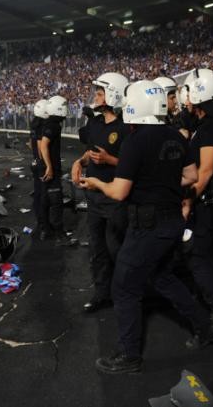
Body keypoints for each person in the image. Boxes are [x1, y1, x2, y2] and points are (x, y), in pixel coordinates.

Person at [80, 80, 213, 374]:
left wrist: (95, 183)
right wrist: (162, 181)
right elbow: (192, 176)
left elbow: (118, 192)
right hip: (171, 222)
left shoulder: (135, 141)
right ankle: (206, 327)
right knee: (162, 278)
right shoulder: (175, 136)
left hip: (148, 226)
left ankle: (129, 355)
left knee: (124, 287)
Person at [71, 72, 129, 312]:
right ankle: (102, 292)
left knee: (118, 249)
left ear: (113, 94)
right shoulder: (94, 123)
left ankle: (125, 295)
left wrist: (109, 159)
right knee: (98, 250)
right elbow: (89, 153)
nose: (95, 96)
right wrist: (79, 162)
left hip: (114, 198)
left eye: (100, 92)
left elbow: (131, 164)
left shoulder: (126, 126)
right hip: (93, 197)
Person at [181, 68, 213, 329]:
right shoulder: (207, 126)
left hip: (208, 204)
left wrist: (189, 202)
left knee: (199, 257)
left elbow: (206, 170)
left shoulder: (211, 128)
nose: (186, 98)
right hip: (210, 202)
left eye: (190, 92)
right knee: (204, 256)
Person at [38, 95, 70, 243]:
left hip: (43, 166)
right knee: (56, 201)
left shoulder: (46, 122)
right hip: (50, 169)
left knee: (45, 199)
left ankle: (46, 229)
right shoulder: (53, 125)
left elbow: (40, 145)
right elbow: (43, 145)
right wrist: (49, 167)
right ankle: (59, 233)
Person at [30, 99, 48, 231]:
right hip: (40, 164)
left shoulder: (34, 124)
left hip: (35, 162)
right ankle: (43, 222)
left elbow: (33, 144)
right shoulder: (42, 126)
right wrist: (46, 164)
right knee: (43, 193)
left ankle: (39, 219)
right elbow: (41, 146)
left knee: (38, 192)